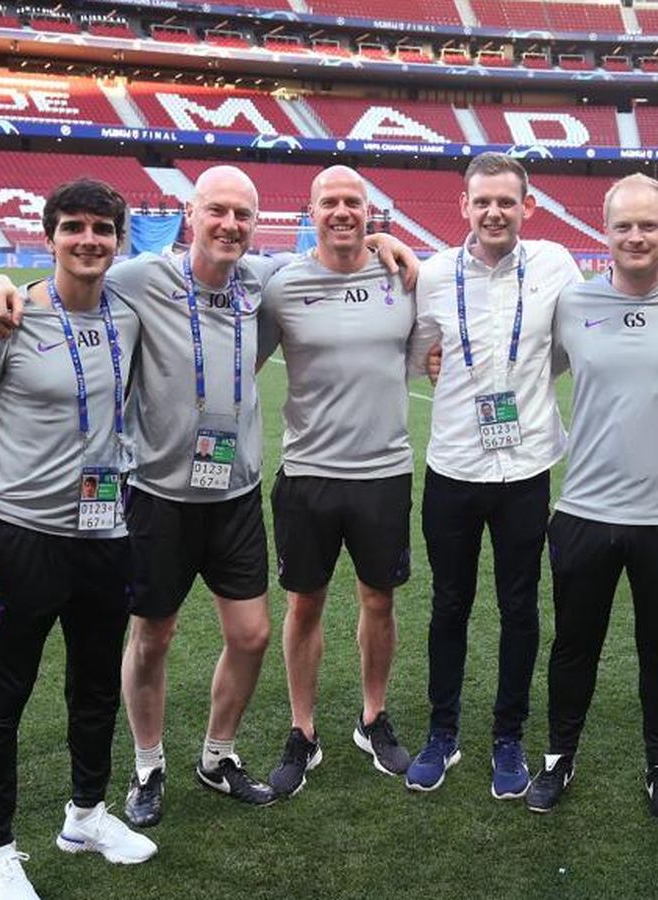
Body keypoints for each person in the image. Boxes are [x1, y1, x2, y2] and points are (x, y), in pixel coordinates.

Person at [0, 166, 420, 826]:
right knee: (153, 637)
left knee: (253, 633)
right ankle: (148, 763)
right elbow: (69, 282)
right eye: (218, 212)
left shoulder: (264, 280)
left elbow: (334, 247)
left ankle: (218, 755)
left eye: (243, 214)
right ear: (190, 213)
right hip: (156, 494)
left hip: (234, 495)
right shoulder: (142, 278)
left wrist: (384, 243)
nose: (230, 225)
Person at [0, 179, 156, 900]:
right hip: (22, 540)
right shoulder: (6, 318)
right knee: (2, 698)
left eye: (102, 228)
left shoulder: (129, 312)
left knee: (94, 689)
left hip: (106, 533)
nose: (89, 240)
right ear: (49, 237)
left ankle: (85, 816)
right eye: (74, 228)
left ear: (120, 240)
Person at [522, 175, 658, 824]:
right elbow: (515, 362)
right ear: (604, 232)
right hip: (583, 512)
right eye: (622, 226)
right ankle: (559, 756)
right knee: (573, 645)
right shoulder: (570, 303)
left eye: (648, 225)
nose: (636, 237)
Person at [403, 153, 584, 797]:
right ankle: (442, 732)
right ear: (464, 207)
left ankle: (508, 738)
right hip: (452, 464)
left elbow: (577, 337)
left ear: (526, 207)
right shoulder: (432, 274)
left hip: (527, 465)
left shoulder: (557, 264)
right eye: (482, 201)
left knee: (518, 605)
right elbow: (413, 345)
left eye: (506, 201)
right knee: (450, 603)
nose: (494, 212)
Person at [260, 166, 419, 794]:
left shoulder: (404, 277)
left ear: (369, 211)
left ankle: (372, 717)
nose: (343, 211)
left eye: (353, 201)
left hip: (383, 472)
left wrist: (394, 246)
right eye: (330, 202)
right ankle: (303, 730)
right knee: (304, 604)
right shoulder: (283, 285)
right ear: (312, 211)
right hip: (307, 475)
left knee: (379, 600)